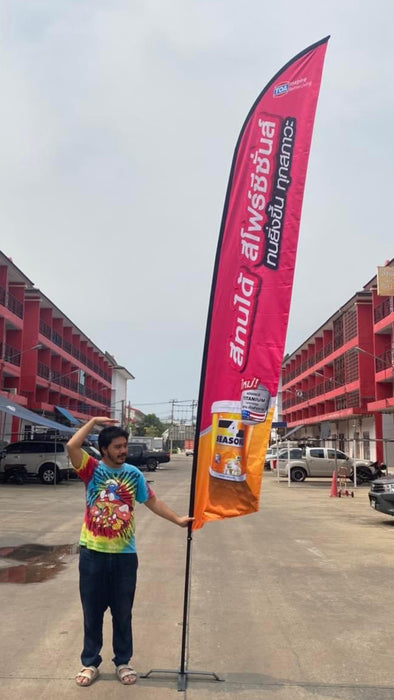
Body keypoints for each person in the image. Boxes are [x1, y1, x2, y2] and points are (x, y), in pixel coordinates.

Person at [66, 416, 192, 687]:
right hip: (92, 554)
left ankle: (123, 660)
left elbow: (153, 502)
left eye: (125, 445)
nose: (123, 450)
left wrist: (178, 519)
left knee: (123, 612)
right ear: (104, 449)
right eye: (117, 446)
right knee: (92, 612)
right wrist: (93, 421)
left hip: (124, 556)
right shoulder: (91, 470)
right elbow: (72, 446)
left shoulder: (133, 474)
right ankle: (90, 663)